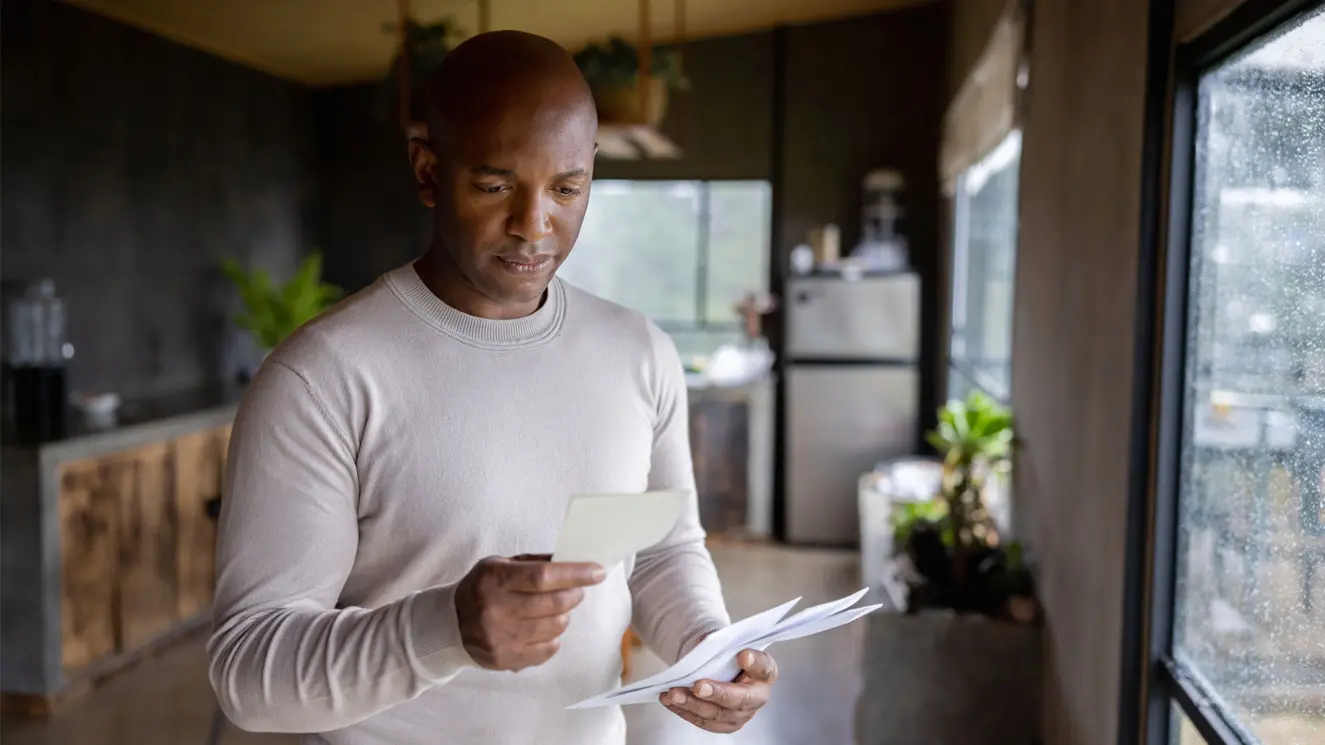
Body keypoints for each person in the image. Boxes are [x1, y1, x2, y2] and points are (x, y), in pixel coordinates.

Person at [208, 30, 778, 744]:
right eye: (495, 185)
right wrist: (443, 626)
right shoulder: (322, 376)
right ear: (425, 171)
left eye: (567, 188)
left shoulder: (639, 352)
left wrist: (709, 646)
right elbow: (249, 676)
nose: (534, 225)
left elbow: (662, 551)